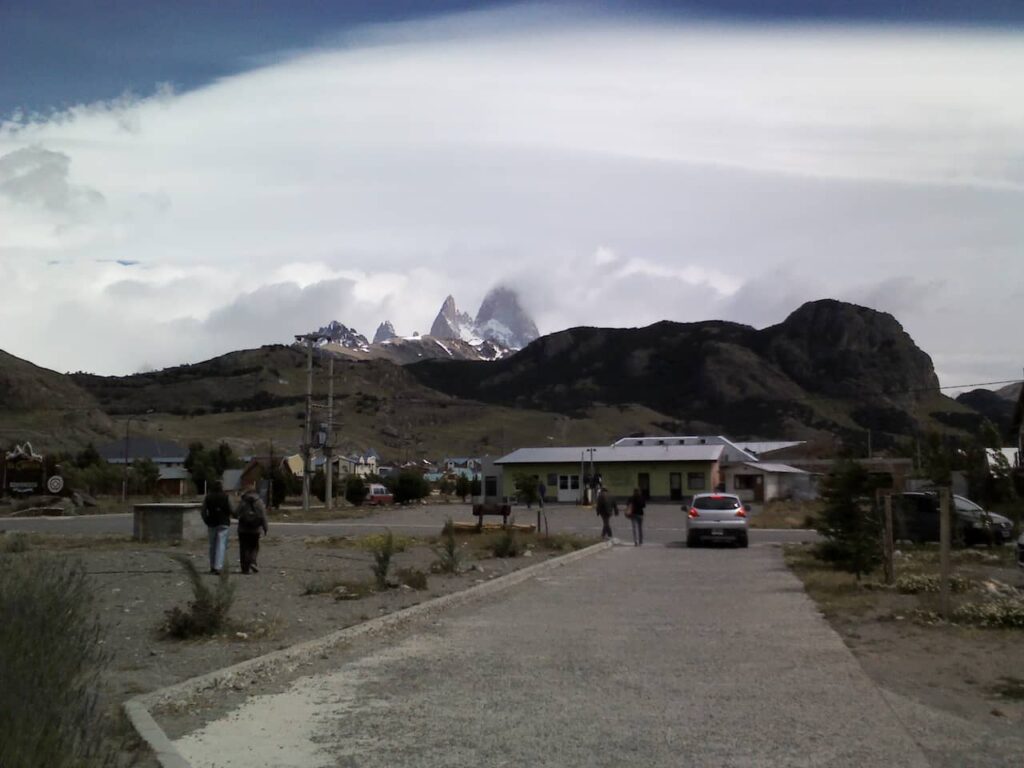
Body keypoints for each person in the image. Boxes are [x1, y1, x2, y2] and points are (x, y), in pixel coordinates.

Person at [234, 487, 269, 574]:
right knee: (254, 547)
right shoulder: (259, 502)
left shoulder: (243, 502)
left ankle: (245, 568)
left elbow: (236, 513)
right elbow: (263, 516)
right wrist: (265, 528)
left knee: (244, 548)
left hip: (243, 529)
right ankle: (253, 562)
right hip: (255, 529)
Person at [201, 480, 232, 575]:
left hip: (212, 522)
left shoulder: (208, 497)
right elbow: (231, 508)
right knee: (221, 545)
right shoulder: (226, 496)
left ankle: (212, 566)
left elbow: (203, 511)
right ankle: (218, 566)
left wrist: (206, 520)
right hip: (223, 522)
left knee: (212, 545)